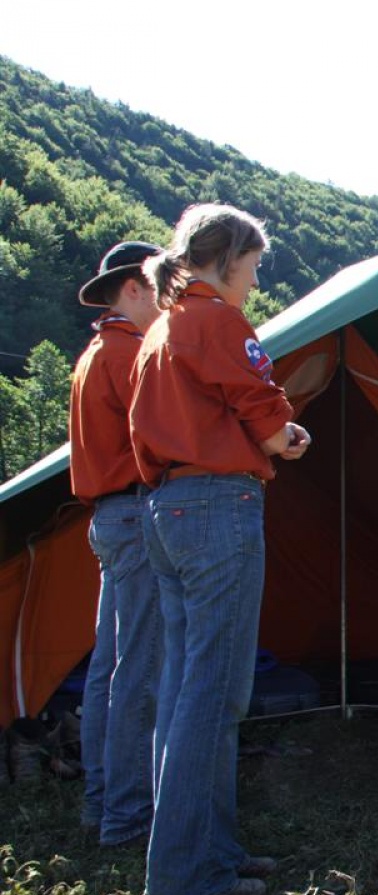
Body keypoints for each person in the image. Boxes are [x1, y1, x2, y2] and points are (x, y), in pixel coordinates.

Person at [130, 204, 311, 895]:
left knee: (184, 691)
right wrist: (287, 437)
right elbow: (259, 405)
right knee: (216, 693)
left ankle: (207, 850)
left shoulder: (159, 330)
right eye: (255, 265)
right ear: (226, 256)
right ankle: (184, 874)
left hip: (164, 509)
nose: (255, 280)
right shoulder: (216, 322)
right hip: (217, 508)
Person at [70, 241, 165, 846]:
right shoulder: (131, 353)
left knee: (110, 667)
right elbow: (164, 431)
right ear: (133, 288)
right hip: (134, 512)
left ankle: (102, 801)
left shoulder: (91, 355)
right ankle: (127, 817)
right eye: (160, 288)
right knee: (139, 669)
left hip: (109, 519)